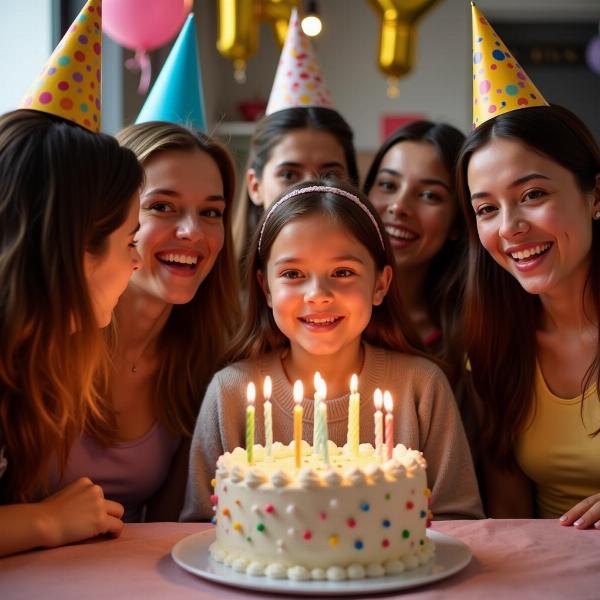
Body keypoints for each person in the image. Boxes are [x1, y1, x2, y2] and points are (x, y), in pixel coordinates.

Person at [182, 180, 483, 522]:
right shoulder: (231, 392)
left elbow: (460, 520)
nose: (318, 294)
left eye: (343, 272)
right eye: (293, 274)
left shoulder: (421, 387)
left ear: (380, 284)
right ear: (266, 288)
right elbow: (198, 527)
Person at [44, 122, 240, 523]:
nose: (191, 231)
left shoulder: (205, 365)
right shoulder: (42, 337)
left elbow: (167, 529)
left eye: (211, 212)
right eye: (162, 206)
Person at [0, 109, 143, 557]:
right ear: (81, 250)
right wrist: (45, 520)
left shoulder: (29, 356)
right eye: (130, 242)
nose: (137, 263)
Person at [456, 104, 600, 528]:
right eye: (487, 209)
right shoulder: (492, 345)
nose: (509, 228)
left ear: (595, 195)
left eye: (532, 195)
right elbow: (510, 515)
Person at [363, 121, 466, 386]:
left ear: (457, 221)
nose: (399, 206)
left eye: (429, 195)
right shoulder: (325, 313)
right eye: (387, 185)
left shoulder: (471, 340)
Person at [232, 107, 359, 262]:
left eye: (329, 175)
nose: (308, 190)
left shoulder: (369, 278)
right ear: (255, 186)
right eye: (288, 175)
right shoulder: (218, 283)